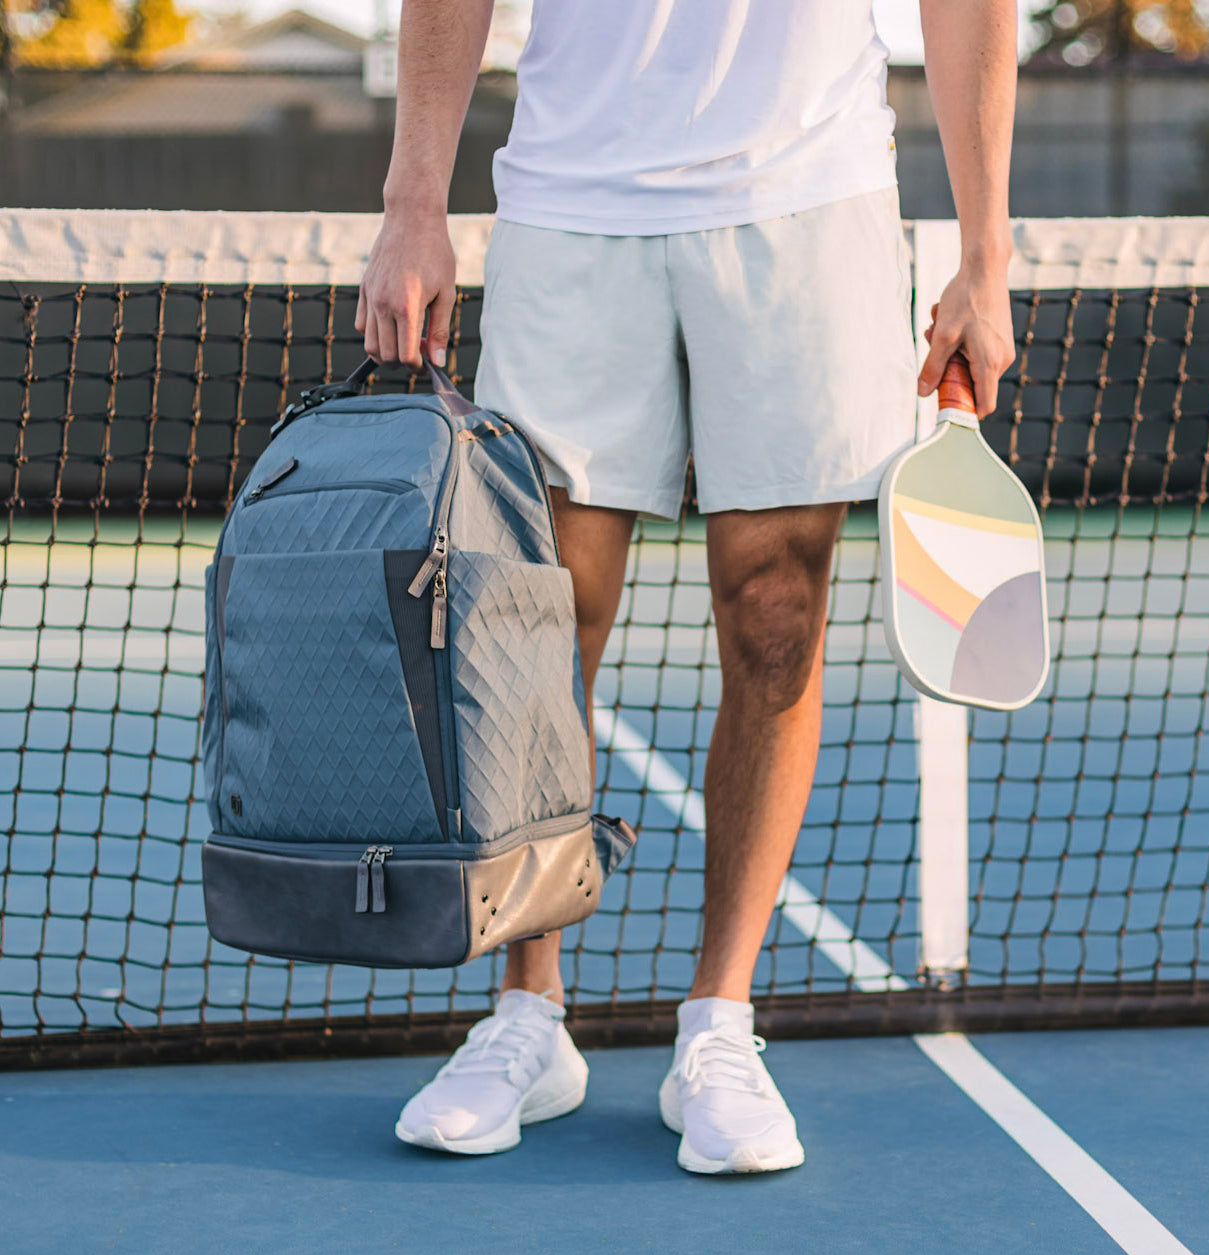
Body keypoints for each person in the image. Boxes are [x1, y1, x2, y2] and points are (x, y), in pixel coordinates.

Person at [359, 0, 1017, 1174]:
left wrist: (986, 253)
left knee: (776, 616)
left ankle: (720, 1020)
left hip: (808, 196)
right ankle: (528, 1015)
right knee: (538, 626)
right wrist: (413, 202)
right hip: (571, 200)